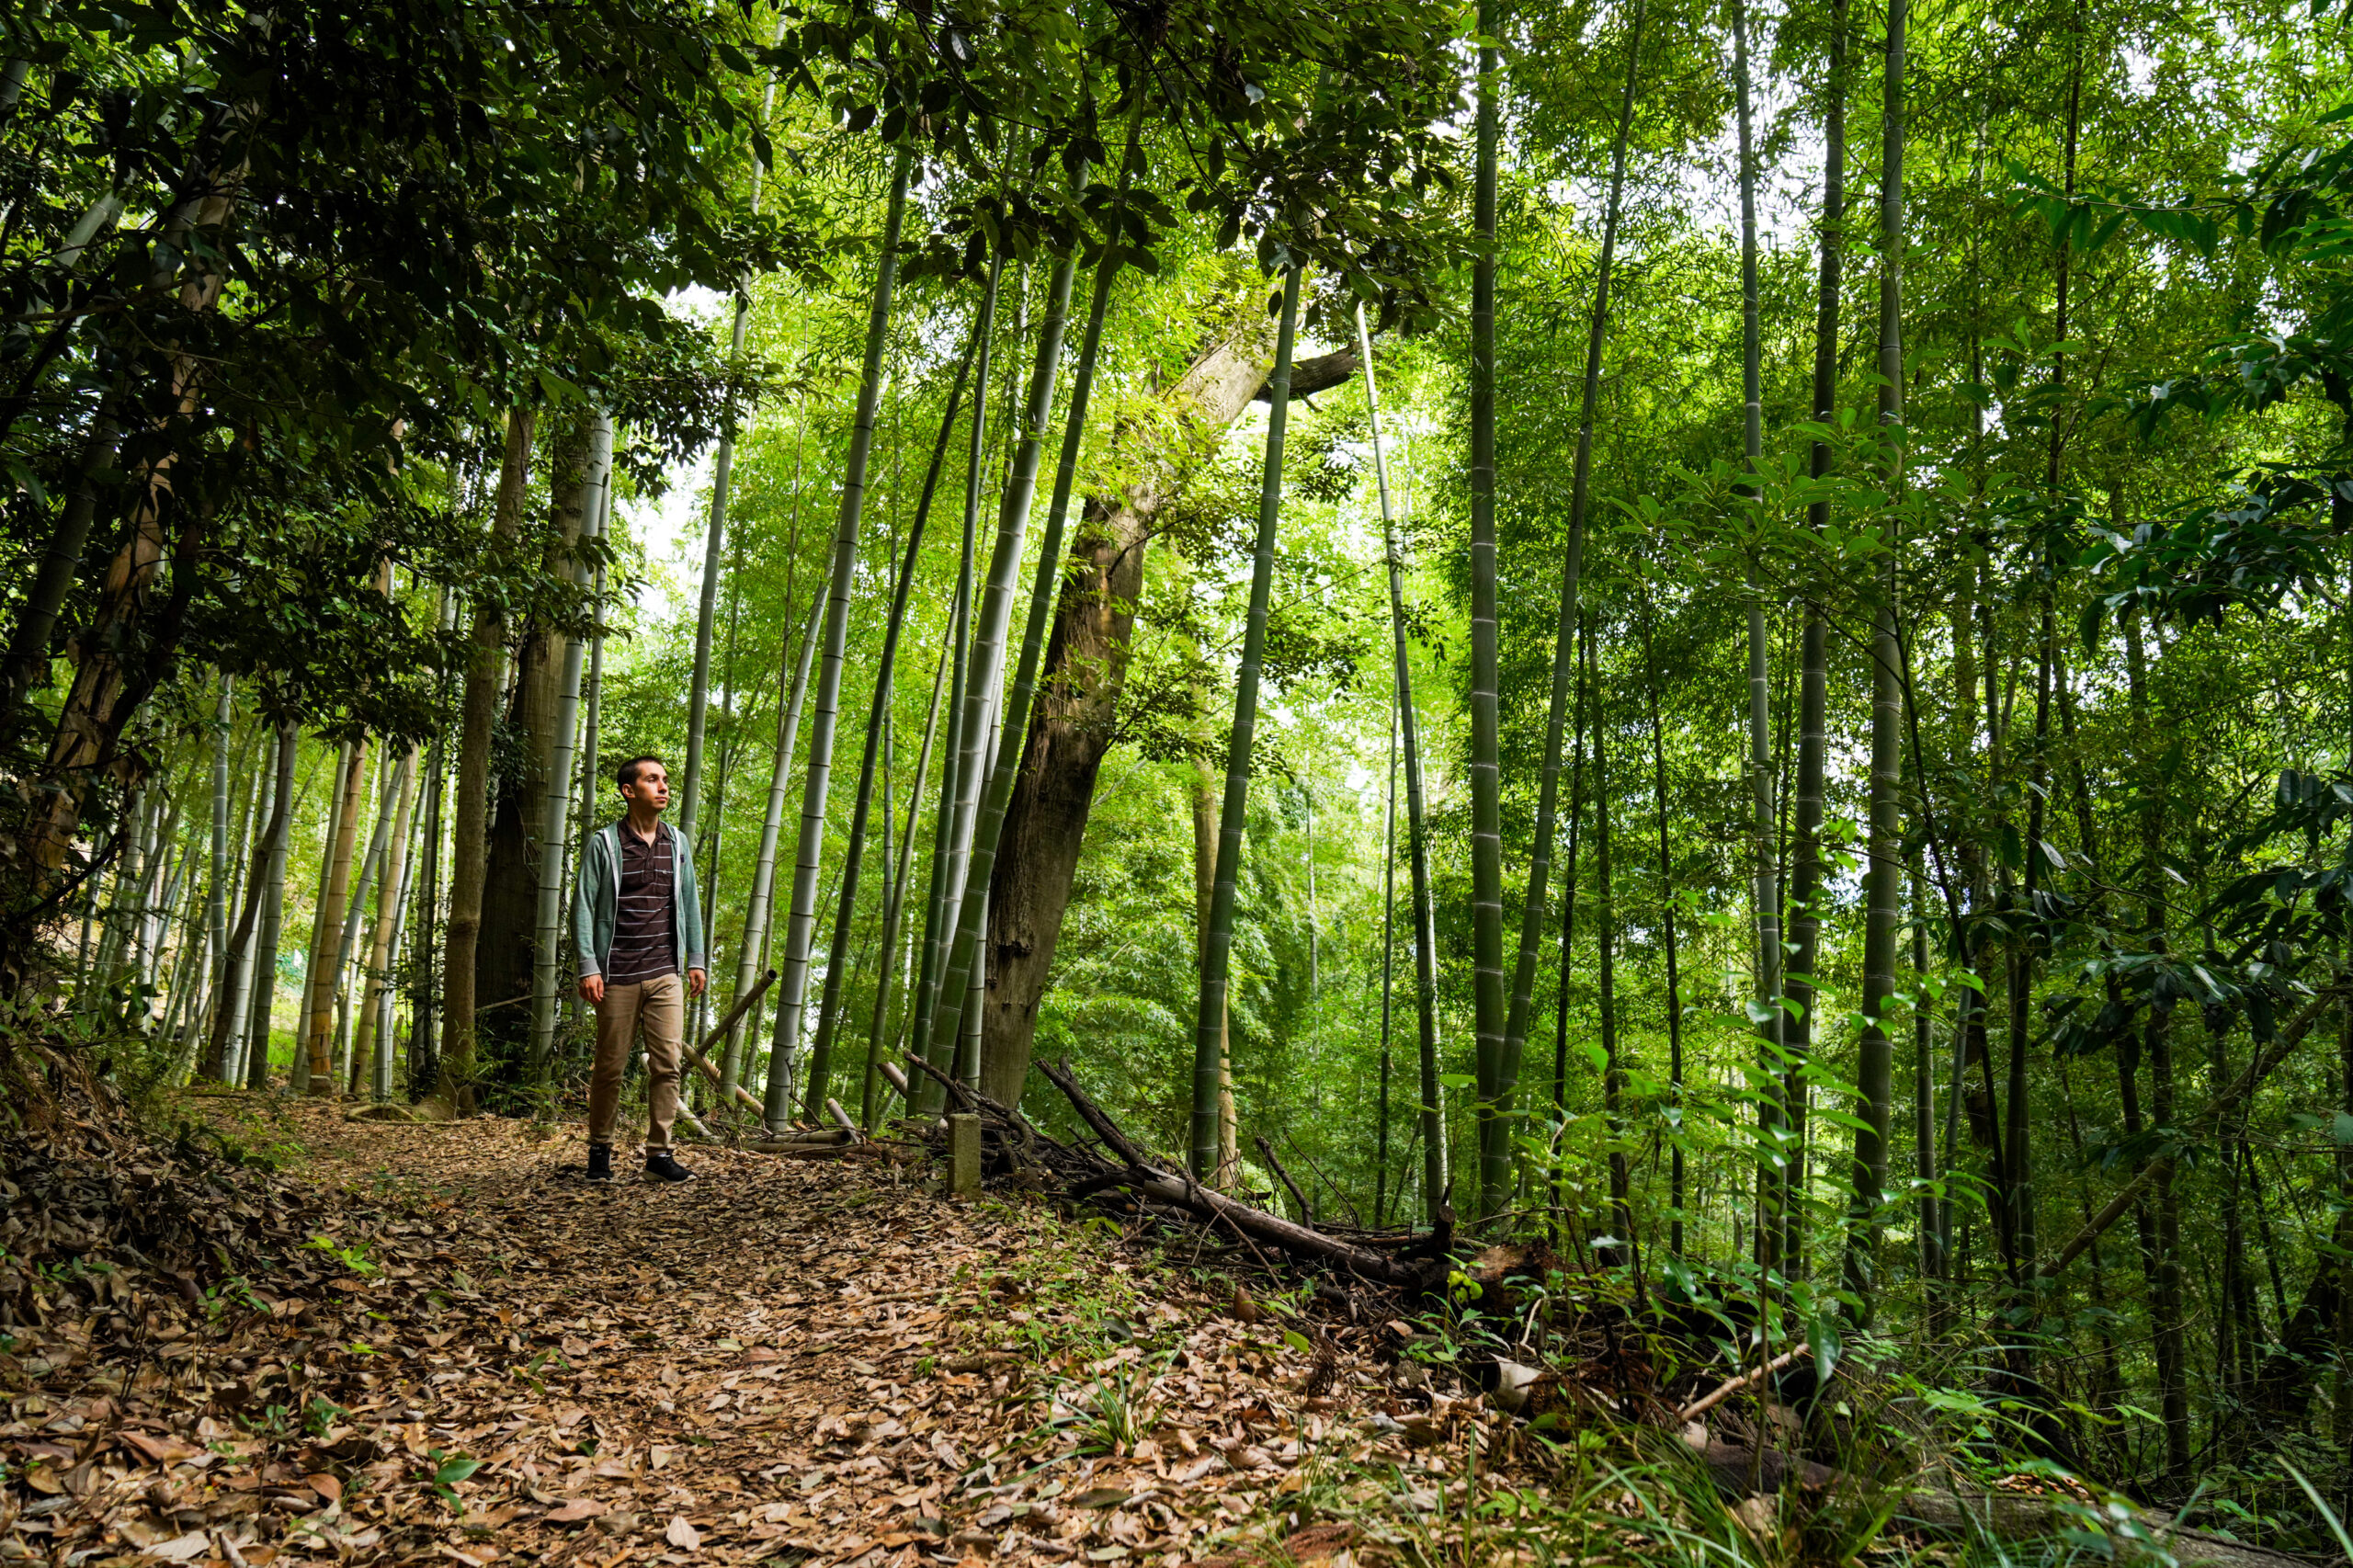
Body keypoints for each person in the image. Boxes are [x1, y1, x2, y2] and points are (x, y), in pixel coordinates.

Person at [572, 755, 707, 1182]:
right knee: (610, 1067)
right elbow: (583, 906)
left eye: (665, 780)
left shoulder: (677, 843)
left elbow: (689, 904)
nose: (664, 787)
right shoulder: (605, 843)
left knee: (667, 1064)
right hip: (616, 973)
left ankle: (658, 1155)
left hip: (665, 970)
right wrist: (588, 966)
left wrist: (697, 960)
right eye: (653, 780)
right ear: (629, 791)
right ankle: (600, 1150)